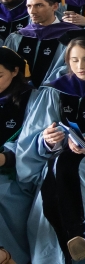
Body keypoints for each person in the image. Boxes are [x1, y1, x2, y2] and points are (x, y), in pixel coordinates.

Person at [15, 32, 85, 264]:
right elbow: (33, 135)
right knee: (59, 170)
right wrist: (47, 140)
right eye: (74, 60)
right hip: (54, 162)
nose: (80, 66)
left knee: (72, 169)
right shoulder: (54, 90)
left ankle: (84, 243)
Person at [4, 0, 83, 87]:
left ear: (54, 6)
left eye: (39, 5)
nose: (32, 11)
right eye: (29, 6)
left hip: (54, 93)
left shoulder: (72, 36)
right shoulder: (18, 36)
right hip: (19, 95)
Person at [0, 48, 37, 264]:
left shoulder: (33, 99)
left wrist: (6, 157)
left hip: (17, 174)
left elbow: (34, 141)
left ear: (15, 71)